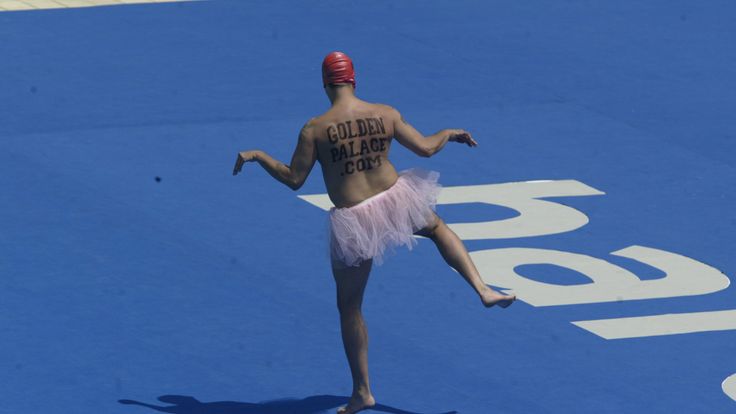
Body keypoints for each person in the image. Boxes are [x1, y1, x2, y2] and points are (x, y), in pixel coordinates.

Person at [233, 51, 516, 414]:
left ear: (325, 84)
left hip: (354, 218)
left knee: (349, 307)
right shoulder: (385, 113)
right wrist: (448, 132)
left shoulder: (315, 129)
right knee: (437, 228)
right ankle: (482, 288)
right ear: (354, 80)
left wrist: (258, 155)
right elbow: (427, 148)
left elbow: (294, 179)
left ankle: (362, 392)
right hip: (395, 198)